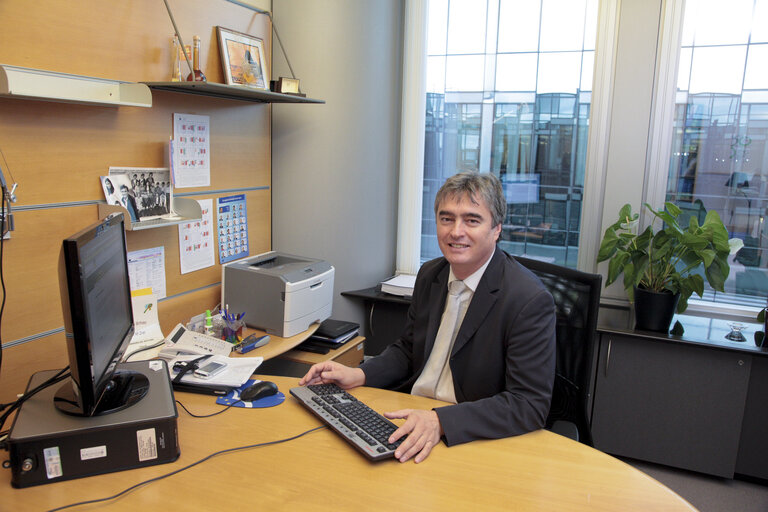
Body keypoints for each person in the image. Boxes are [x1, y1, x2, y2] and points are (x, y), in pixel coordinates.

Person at [299, 171, 556, 464]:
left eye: (471, 220)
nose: (455, 231)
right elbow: (409, 350)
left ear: (496, 229)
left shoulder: (527, 300)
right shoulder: (431, 274)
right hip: (413, 416)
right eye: (446, 219)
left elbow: (528, 404)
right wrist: (360, 373)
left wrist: (442, 421)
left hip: (469, 436)